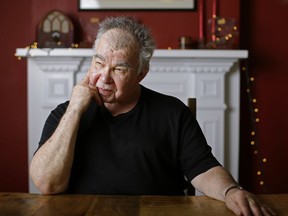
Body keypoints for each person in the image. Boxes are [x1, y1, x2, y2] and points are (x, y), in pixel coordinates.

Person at [29, 16, 275, 216]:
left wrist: (231, 191)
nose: (104, 78)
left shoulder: (172, 112)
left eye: (119, 68)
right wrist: (74, 109)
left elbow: (203, 167)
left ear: (141, 73)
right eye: (99, 63)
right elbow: (47, 184)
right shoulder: (65, 113)